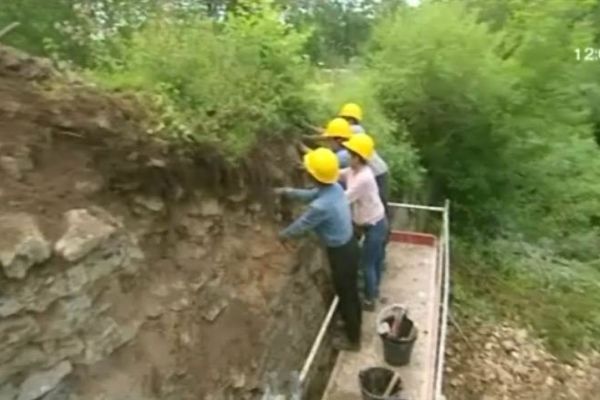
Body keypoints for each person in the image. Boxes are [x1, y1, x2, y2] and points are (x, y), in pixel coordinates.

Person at [275, 147, 362, 351]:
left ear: (313, 175)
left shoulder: (321, 207)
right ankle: (353, 325)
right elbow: (310, 195)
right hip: (349, 246)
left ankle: (353, 340)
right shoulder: (334, 189)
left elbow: (302, 225)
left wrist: (282, 235)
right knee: (350, 292)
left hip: (341, 254)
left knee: (346, 293)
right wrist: (287, 192)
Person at [339, 134, 387, 311]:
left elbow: (344, 199)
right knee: (373, 260)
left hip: (375, 224)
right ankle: (374, 289)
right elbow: (339, 174)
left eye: (349, 153)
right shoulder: (354, 171)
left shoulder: (364, 178)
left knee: (368, 264)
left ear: (358, 158)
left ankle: (370, 299)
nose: (346, 156)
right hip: (370, 222)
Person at [338, 103, 391, 220]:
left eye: (344, 118)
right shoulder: (355, 135)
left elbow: (333, 132)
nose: (342, 121)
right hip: (378, 171)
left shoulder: (355, 130)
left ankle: (384, 230)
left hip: (378, 173)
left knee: (379, 203)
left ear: (350, 119)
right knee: (378, 203)